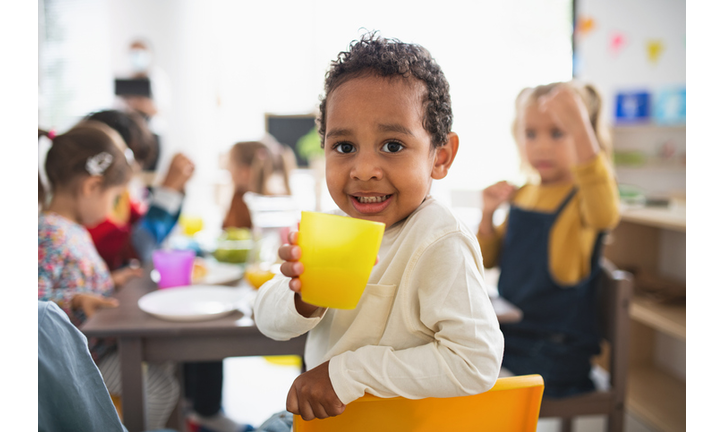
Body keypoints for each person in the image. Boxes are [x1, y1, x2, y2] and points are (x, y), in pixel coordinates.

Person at [253, 32, 504, 428]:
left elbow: (475, 362)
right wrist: (303, 299)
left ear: (440, 157)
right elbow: (267, 319)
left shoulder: (439, 238)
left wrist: (345, 373)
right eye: (345, 147)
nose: (364, 169)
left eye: (391, 146)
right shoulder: (334, 231)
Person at [477, 81, 620, 398]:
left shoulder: (583, 199)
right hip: (510, 336)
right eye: (531, 134)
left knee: (469, 385)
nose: (541, 146)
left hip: (555, 351)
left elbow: (607, 214)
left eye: (558, 133)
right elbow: (487, 261)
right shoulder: (525, 193)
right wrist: (487, 214)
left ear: (585, 135)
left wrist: (579, 125)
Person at [37, 121, 180, 431]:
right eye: (114, 196)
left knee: (167, 360)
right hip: (81, 361)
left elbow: (73, 278)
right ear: (91, 186)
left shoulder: (72, 229)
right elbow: (35, 312)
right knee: (159, 386)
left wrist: (112, 281)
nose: (114, 207)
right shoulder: (50, 233)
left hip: (99, 348)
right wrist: (75, 302)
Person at [38, 300, 178, 432]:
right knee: (162, 388)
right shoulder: (45, 314)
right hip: (91, 358)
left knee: (165, 360)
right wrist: (74, 300)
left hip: (106, 345)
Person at [84, 109, 194, 269]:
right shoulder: (90, 205)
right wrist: (167, 190)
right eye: (130, 159)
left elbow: (156, 234)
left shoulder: (121, 197)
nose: (135, 170)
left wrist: (177, 189)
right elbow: (140, 246)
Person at [222, 135, 297, 229]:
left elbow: (228, 232)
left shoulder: (241, 201)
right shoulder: (282, 201)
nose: (228, 171)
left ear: (245, 173)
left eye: (230, 165)